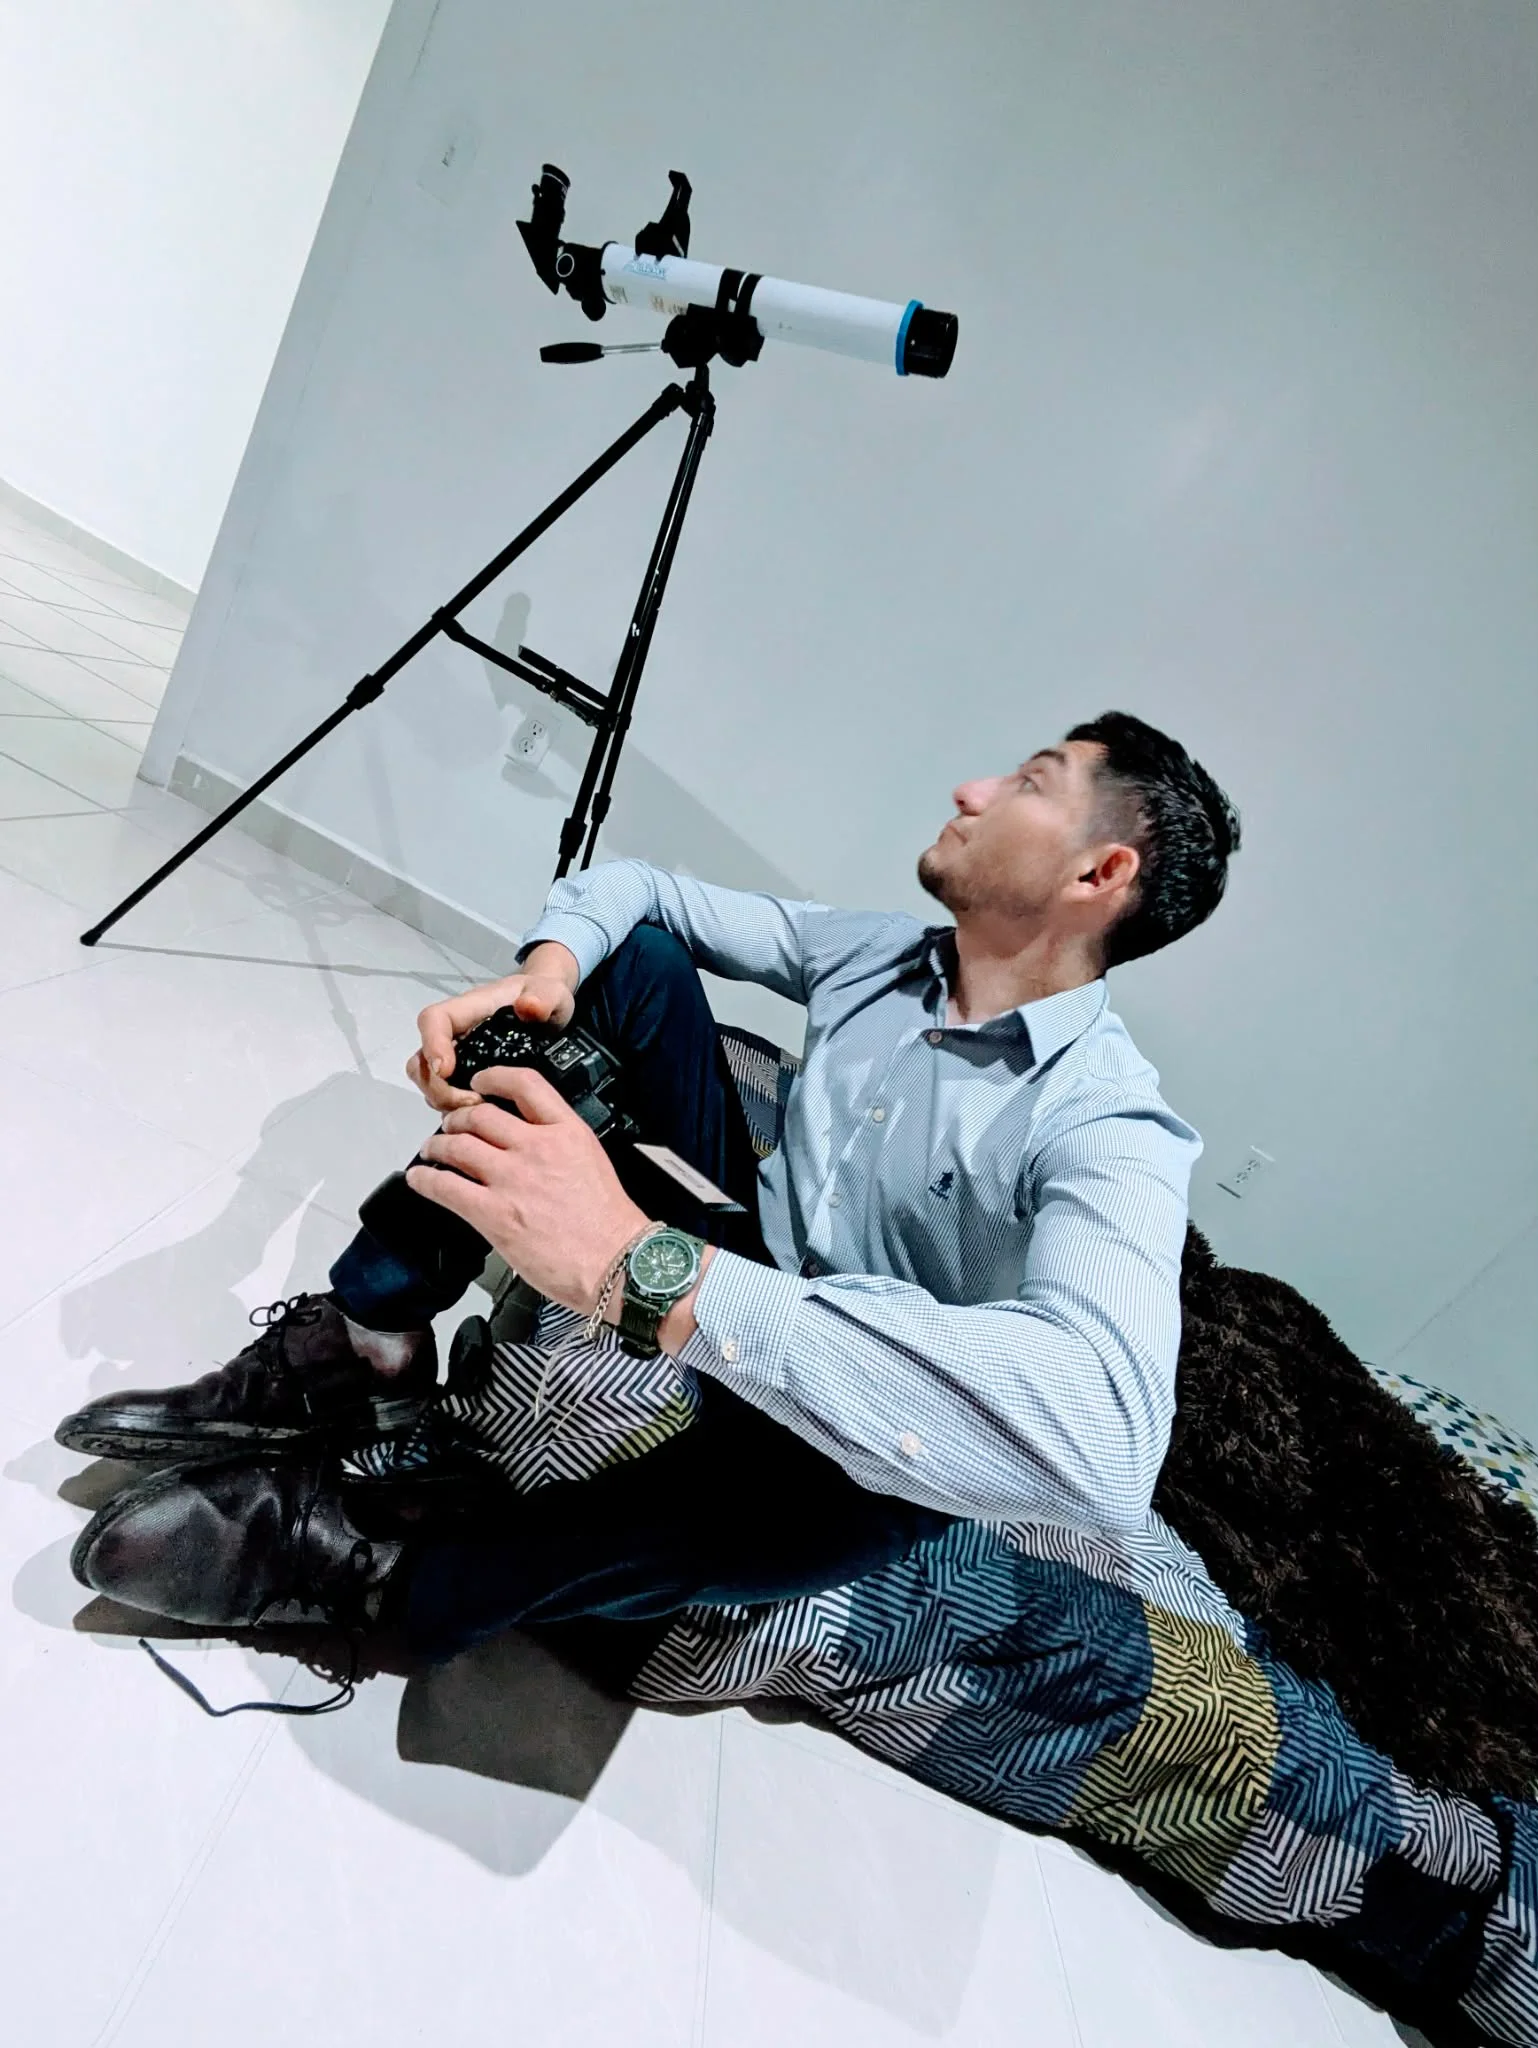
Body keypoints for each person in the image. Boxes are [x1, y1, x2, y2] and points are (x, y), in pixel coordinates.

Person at [63, 710, 1241, 1667]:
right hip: (750, 1237)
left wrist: (642, 1267)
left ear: (1099, 870)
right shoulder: (879, 952)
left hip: (848, 1417)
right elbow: (640, 888)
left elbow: (1100, 1444)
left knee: (803, 1511)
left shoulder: (1110, 1122)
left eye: (1027, 781)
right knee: (626, 961)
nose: (971, 788)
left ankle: (386, 1582)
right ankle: (368, 1347)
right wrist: (540, 978)